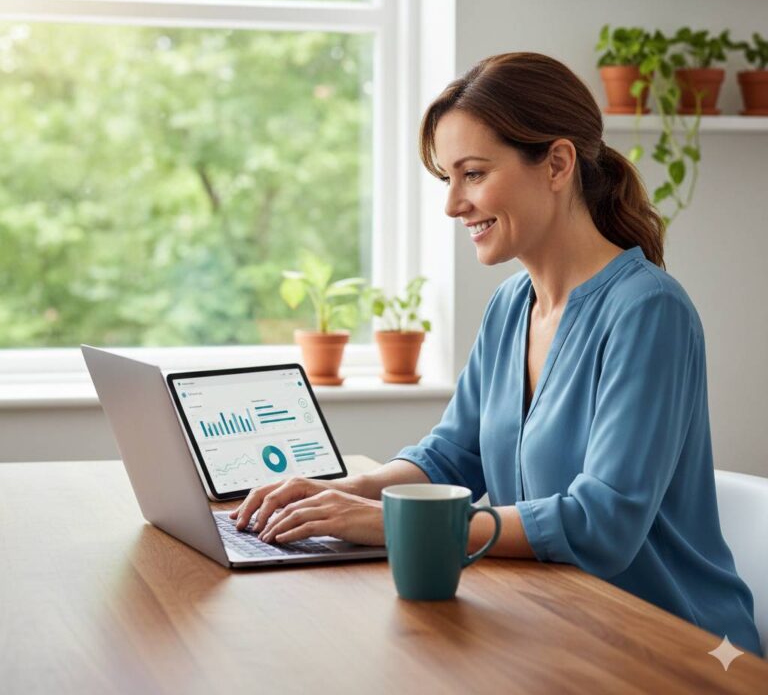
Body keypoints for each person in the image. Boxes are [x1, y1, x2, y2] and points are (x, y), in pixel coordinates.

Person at [231, 52, 761, 656]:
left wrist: (395, 525)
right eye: (447, 180)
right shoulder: (512, 305)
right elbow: (454, 455)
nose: (454, 204)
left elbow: (603, 524)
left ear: (557, 164)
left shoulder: (649, 312)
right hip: (564, 624)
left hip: (678, 646)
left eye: (474, 174)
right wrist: (350, 492)